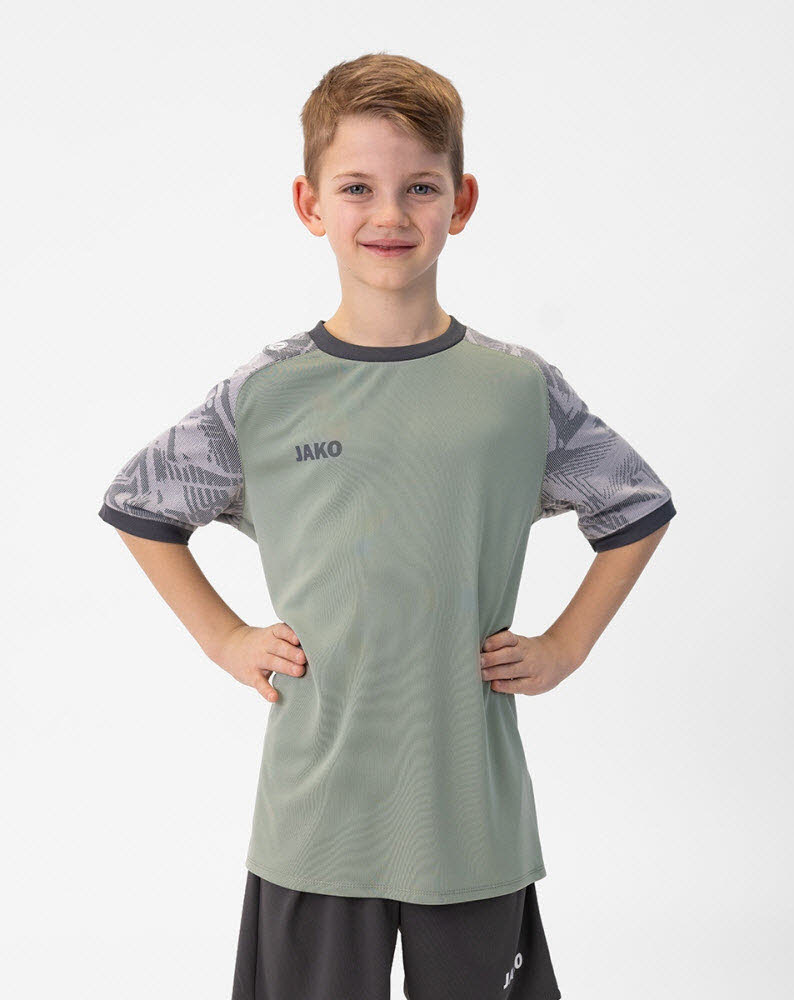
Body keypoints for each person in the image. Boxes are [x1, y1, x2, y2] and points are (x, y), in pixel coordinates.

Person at [97, 52, 676, 1000]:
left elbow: (637, 507)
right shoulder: (266, 394)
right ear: (310, 204)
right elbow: (141, 506)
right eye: (357, 187)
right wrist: (227, 639)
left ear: (461, 200)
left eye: (420, 187)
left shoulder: (515, 389)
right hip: (318, 813)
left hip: (467, 810)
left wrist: (566, 646)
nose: (390, 214)